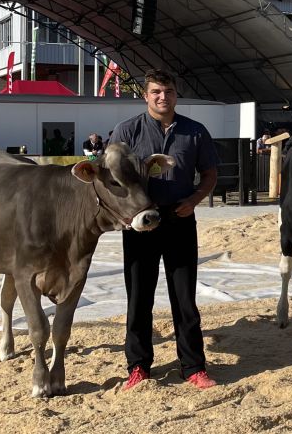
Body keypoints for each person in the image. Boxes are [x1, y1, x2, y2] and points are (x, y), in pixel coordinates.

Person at [108, 69, 220, 391]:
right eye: (156, 91)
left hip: (180, 220)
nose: (162, 97)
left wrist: (196, 199)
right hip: (140, 223)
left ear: (175, 95)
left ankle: (194, 367)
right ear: (145, 95)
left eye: (168, 91)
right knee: (139, 298)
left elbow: (210, 174)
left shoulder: (195, 132)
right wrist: (125, 214)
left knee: (184, 299)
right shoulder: (126, 132)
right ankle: (139, 367)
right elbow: (113, 178)